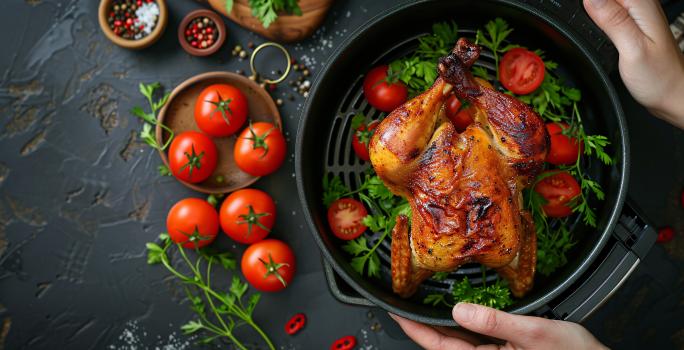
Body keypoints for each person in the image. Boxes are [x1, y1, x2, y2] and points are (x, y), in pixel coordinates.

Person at [390, 0, 684, 348]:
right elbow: (521, 285)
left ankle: (450, 83)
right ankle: (456, 82)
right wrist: (673, 95)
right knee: (528, 148)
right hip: (495, 238)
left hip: (441, 239)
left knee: (391, 157)